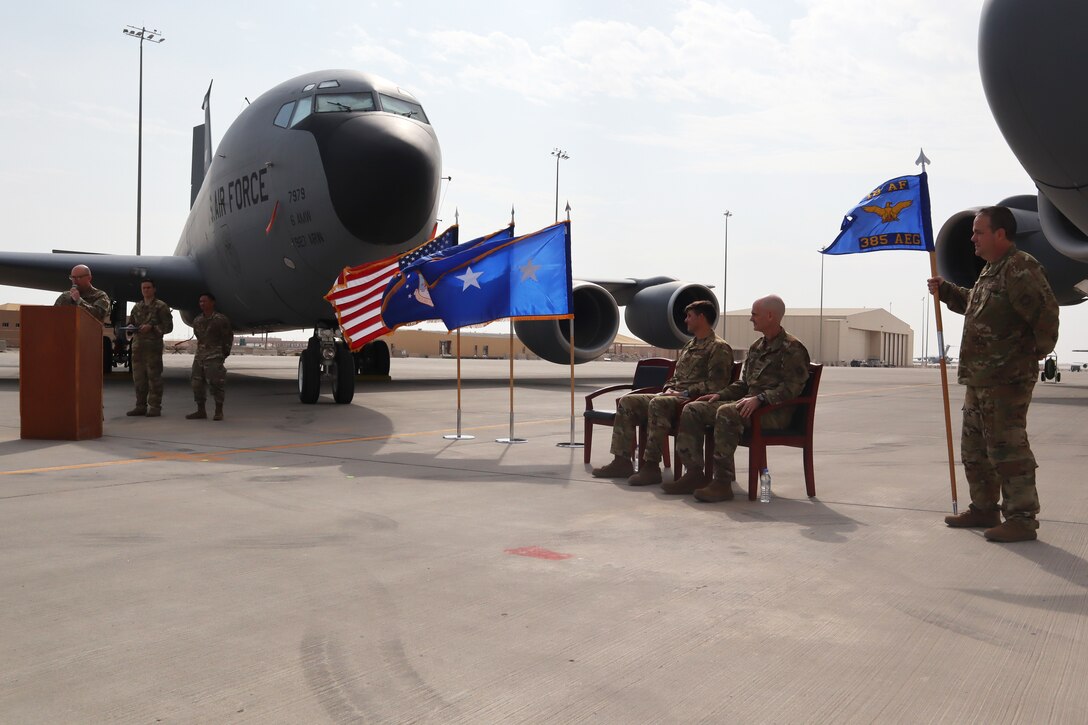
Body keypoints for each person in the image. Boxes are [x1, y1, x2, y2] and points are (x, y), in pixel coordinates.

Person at [928, 206, 1059, 543]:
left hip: (1007, 379)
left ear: (1000, 234)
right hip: (980, 378)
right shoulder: (990, 272)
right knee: (975, 449)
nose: (973, 237)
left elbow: (1046, 314)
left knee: (1007, 448)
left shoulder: (1020, 268)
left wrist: (1035, 353)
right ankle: (984, 507)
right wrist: (947, 291)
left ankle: (1022, 518)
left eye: (979, 231)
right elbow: (976, 304)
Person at [670, 295, 810, 501]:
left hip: (775, 412)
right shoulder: (757, 347)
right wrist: (720, 394)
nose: (751, 319)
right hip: (749, 406)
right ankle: (694, 474)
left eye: (755, 314)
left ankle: (722, 483)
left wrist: (760, 398)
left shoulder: (792, 348)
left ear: (770, 316)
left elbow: (792, 388)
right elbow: (744, 384)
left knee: (727, 412)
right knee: (694, 408)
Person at [592, 300, 734, 486]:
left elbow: (716, 385)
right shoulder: (689, 346)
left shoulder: (718, 347)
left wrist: (684, 393)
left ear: (702, 317)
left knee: (657, 404)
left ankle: (651, 466)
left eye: (689, 316)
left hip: (691, 399)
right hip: (673, 395)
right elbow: (676, 376)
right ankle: (622, 462)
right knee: (628, 402)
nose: (685, 320)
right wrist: (668, 388)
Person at [125, 279, 173, 417]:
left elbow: (168, 327)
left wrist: (152, 327)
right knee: (139, 378)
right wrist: (130, 328)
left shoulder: (161, 306)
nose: (146, 290)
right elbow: (132, 324)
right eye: (143, 288)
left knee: (154, 378)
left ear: (154, 289)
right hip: (137, 348)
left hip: (153, 348)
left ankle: (155, 407)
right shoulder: (137, 307)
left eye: (148, 287)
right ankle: (140, 406)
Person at [186, 293, 233, 421]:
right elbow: (199, 337)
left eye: (205, 301)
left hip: (215, 355)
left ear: (213, 302)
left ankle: (219, 411)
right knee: (196, 383)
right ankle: (201, 410)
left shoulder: (220, 319)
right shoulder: (197, 320)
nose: (202, 304)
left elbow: (227, 337)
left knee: (216, 383)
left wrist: (224, 353)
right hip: (199, 356)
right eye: (200, 301)